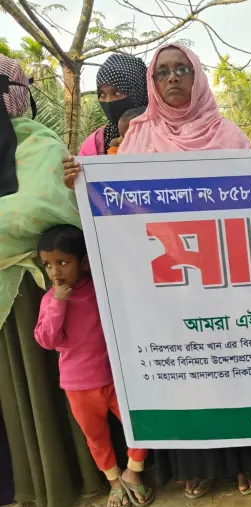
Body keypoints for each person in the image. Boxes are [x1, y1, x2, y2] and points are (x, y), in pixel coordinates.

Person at [64, 43, 251, 497]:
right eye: (163, 72)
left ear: (197, 77)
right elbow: (115, 210)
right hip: (165, 278)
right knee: (184, 372)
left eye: (182, 69)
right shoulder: (137, 137)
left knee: (234, 366)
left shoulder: (230, 136)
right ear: (152, 83)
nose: (173, 78)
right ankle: (195, 465)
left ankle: (245, 461)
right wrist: (78, 183)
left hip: (224, 275)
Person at [0, 54, 107, 507]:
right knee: (25, 393)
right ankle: (42, 482)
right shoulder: (43, 145)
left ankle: (83, 475)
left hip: (50, 289)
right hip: (19, 298)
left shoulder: (42, 146)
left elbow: (59, 210)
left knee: (67, 382)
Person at [34, 225, 154, 507]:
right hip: (78, 386)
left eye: (63, 262)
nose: (55, 272)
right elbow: (46, 340)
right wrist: (58, 304)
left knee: (143, 424)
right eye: (48, 265)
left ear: (84, 262)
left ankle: (133, 471)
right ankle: (114, 482)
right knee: (96, 437)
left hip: (117, 378)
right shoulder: (49, 300)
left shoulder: (102, 289)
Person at [79, 53, 148, 156]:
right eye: (102, 94)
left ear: (138, 92)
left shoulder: (165, 136)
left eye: (117, 93)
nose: (108, 101)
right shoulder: (94, 144)